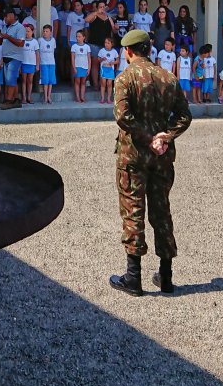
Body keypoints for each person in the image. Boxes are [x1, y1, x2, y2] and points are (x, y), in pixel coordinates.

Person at [108, 29, 193, 296]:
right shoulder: (168, 77)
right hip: (162, 156)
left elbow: (123, 117)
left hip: (134, 155)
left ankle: (134, 277)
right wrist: (164, 136)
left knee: (133, 211)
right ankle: (166, 275)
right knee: (162, 210)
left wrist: (147, 138)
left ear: (129, 51)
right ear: (149, 50)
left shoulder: (125, 78)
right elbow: (184, 116)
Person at [0, 9, 26, 107]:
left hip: (15, 57)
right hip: (6, 57)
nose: (4, 19)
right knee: (10, 79)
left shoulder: (20, 27)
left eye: (6, 17)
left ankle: (9, 101)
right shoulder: (5, 27)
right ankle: (16, 100)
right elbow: (0, 42)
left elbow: (21, 43)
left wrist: (8, 37)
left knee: (10, 79)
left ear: (11, 16)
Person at [84, 1, 114, 90]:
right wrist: (97, 12)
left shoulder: (108, 17)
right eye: (100, 6)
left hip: (105, 45)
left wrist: (116, 27)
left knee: (105, 64)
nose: (102, 8)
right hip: (94, 44)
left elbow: (114, 30)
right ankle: (96, 84)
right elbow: (86, 20)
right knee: (95, 64)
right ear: (97, 7)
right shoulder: (94, 15)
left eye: (103, 6)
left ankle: (103, 85)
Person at [38, 24, 57, 104]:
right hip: (43, 63)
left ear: (50, 32)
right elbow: (38, 52)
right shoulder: (40, 40)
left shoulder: (53, 40)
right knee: (45, 81)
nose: (45, 33)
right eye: (44, 31)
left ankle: (49, 96)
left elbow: (54, 50)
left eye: (47, 31)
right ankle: (45, 97)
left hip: (52, 62)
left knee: (51, 81)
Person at [71, 30, 91, 103]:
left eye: (79, 36)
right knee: (77, 82)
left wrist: (89, 68)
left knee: (83, 82)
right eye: (77, 36)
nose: (77, 38)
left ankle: (82, 96)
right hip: (77, 66)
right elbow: (72, 58)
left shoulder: (87, 47)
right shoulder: (74, 46)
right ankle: (77, 97)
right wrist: (74, 67)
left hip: (85, 67)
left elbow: (89, 58)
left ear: (84, 37)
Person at [97, 37, 118, 104]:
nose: (106, 44)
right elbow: (98, 59)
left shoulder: (114, 51)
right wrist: (102, 59)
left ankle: (108, 98)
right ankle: (102, 98)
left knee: (109, 84)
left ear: (112, 44)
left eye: (108, 43)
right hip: (103, 69)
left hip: (110, 69)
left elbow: (117, 60)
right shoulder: (102, 50)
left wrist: (113, 63)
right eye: (105, 42)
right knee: (103, 83)